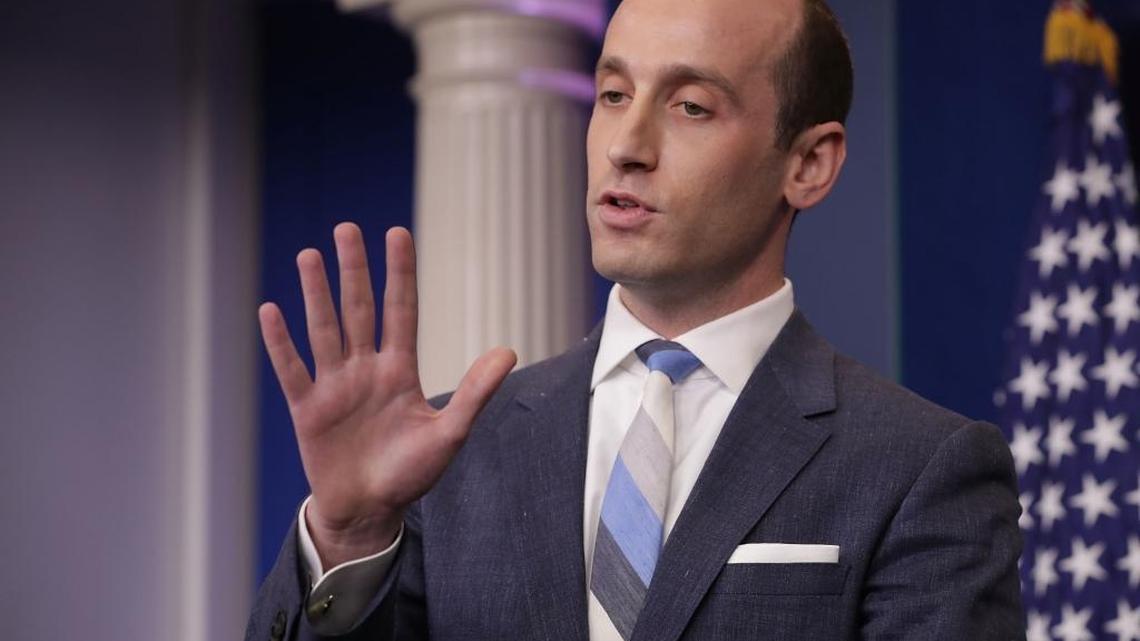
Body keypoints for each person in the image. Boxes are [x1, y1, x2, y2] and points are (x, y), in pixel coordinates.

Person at [246, 0, 1025, 638]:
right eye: (614, 94)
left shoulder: (922, 466)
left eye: (690, 106)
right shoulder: (443, 455)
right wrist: (348, 537)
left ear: (809, 163)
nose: (626, 144)